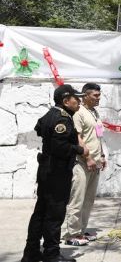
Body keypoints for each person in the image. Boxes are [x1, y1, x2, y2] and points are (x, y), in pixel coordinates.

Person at [21, 84, 89, 262]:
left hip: (47, 170)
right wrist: (80, 150)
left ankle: (32, 252)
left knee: (41, 211)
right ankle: (51, 253)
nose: (79, 101)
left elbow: (39, 127)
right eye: (77, 98)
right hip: (57, 172)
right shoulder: (63, 118)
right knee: (55, 212)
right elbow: (61, 146)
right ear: (66, 101)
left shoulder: (51, 114)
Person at [64, 83, 107, 246]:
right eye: (95, 95)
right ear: (85, 96)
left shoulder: (94, 113)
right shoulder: (79, 112)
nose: (99, 98)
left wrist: (101, 156)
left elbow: (98, 136)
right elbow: (78, 137)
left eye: (99, 94)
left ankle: (81, 230)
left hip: (94, 163)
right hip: (81, 163)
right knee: (77, 199)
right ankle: (71, 234)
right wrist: (88, 158)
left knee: (88, 200)